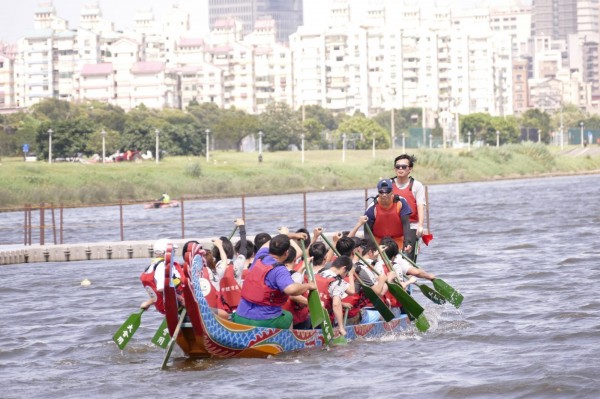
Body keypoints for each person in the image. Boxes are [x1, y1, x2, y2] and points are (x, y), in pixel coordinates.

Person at [232, 234, 316, 329]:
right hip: (263, 321)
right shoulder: (279, 270)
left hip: (240, 316)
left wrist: (292, 235)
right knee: (288, 316)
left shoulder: (260, 256)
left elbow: (268, 243)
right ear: (286, 253)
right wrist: (309, 286)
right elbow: (291, 289)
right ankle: (287, 342)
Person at [390, 154, 426, 262]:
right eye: (398, 166)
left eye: (404, 167)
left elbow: (420, 206)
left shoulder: (416, 185)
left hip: (411, 225)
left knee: (407, 258)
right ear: (394, 168)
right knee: (390, 257)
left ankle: (408, 276)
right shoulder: (388, 184)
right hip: (392, 225)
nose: (400, 169)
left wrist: (420, 226)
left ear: (409, 169)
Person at [365, 178, 413, 252]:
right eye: (381, 192)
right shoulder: (372, 208)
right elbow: (367, 232)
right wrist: (373, 249)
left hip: (398, 241)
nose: (384, 195)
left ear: (392, 191)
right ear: (378, 192)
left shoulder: (401, 202)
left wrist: (407, 243)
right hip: (380, 243)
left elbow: (406, 224)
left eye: (387, 192)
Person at [315, 255, 356, 336]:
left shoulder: (319, 273)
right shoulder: (338, 282)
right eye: (347, 273)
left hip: (310, 314)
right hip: (323, 320)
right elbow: (336, 304)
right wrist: (341, 327)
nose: (346, 275)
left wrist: (342, 304)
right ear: (344, 268)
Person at [140, 238, 179, 313]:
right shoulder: (162, 266)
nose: (174, 253)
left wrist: (148, 303)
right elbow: (161, 289)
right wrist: (180, 298)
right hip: (173, 306)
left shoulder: (151, 266)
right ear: (165, 252)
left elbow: (159, 293)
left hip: (164, 305)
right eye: (173, 250)